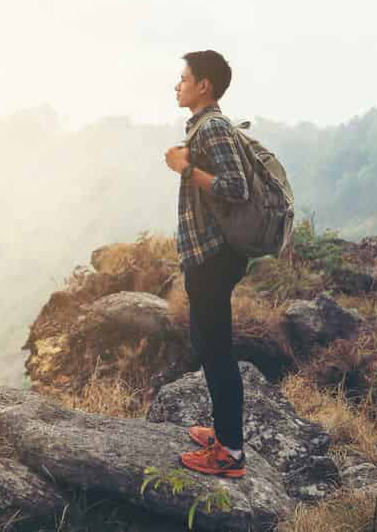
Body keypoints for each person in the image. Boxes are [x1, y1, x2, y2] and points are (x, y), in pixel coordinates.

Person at [164, 50, 250, 478]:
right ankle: (223, 434)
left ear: (204, 86)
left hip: (215, 257)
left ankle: (230, 454)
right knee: (206, 344)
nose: (176, 85)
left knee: (216, 350)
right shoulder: (202, 125)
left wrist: (185, 169)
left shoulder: (213, 127)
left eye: (183, 78)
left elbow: (237, 188)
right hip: (206, 256)